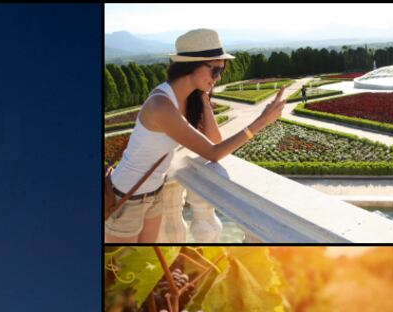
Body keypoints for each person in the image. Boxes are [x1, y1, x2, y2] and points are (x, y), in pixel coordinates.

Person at [104, 28, 287, 243]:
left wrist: (204, 100)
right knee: (122, 269)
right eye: (215, 71)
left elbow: (214, 140)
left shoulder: (185, 99)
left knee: (146, 263)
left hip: (154, 193)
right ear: (192, 65)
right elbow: (213, 152)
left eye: (221, 72)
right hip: (126, 197)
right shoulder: (161, 105)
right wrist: (261, 122)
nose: (218, 78)